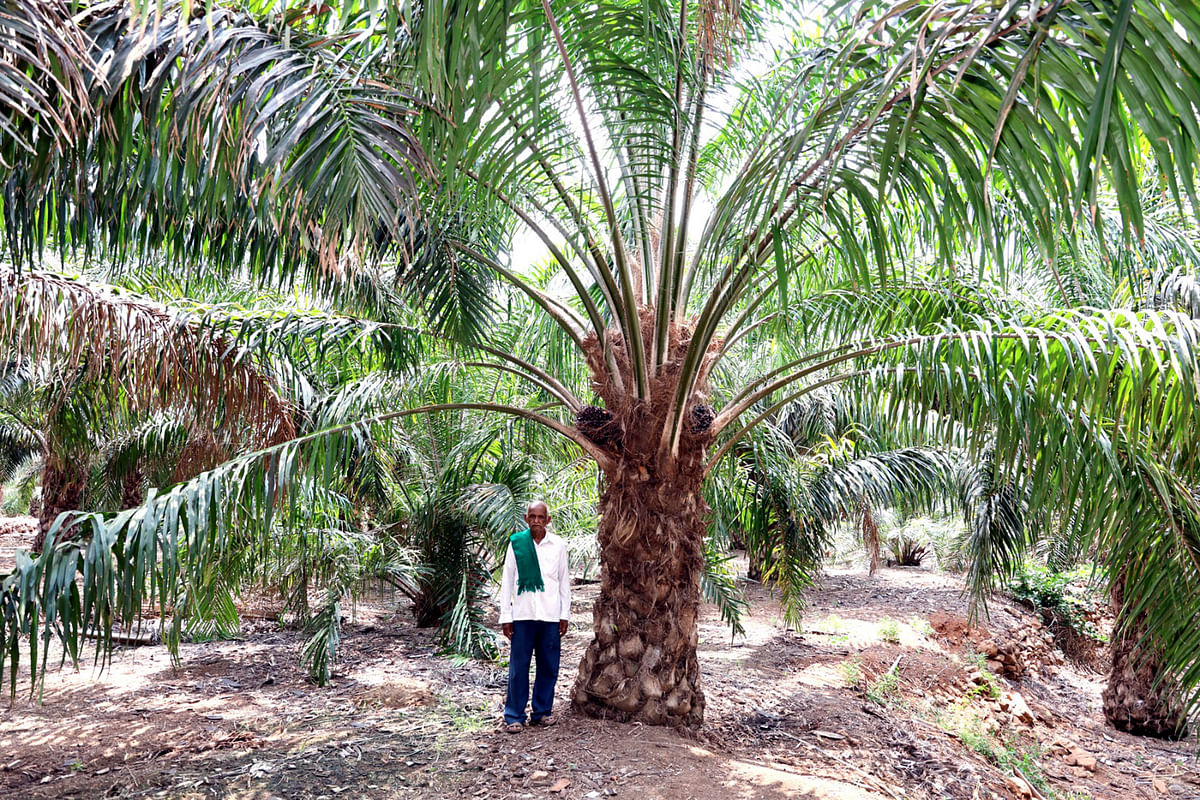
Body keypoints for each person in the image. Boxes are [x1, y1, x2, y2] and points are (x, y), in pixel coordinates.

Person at [497, 500, 570, 733]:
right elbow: (507, 582)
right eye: (532, 516)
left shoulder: (558, 545)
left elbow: (563, 583)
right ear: (526, 519)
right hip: (523, 615)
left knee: (548, 666)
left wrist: (564, 614)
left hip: (550, 616)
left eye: (541, 517)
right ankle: (514, 715)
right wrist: (505, 616)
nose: (537, 521)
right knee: (519, 667)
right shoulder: (517, 544)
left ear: (548, 520)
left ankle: (542, 712)